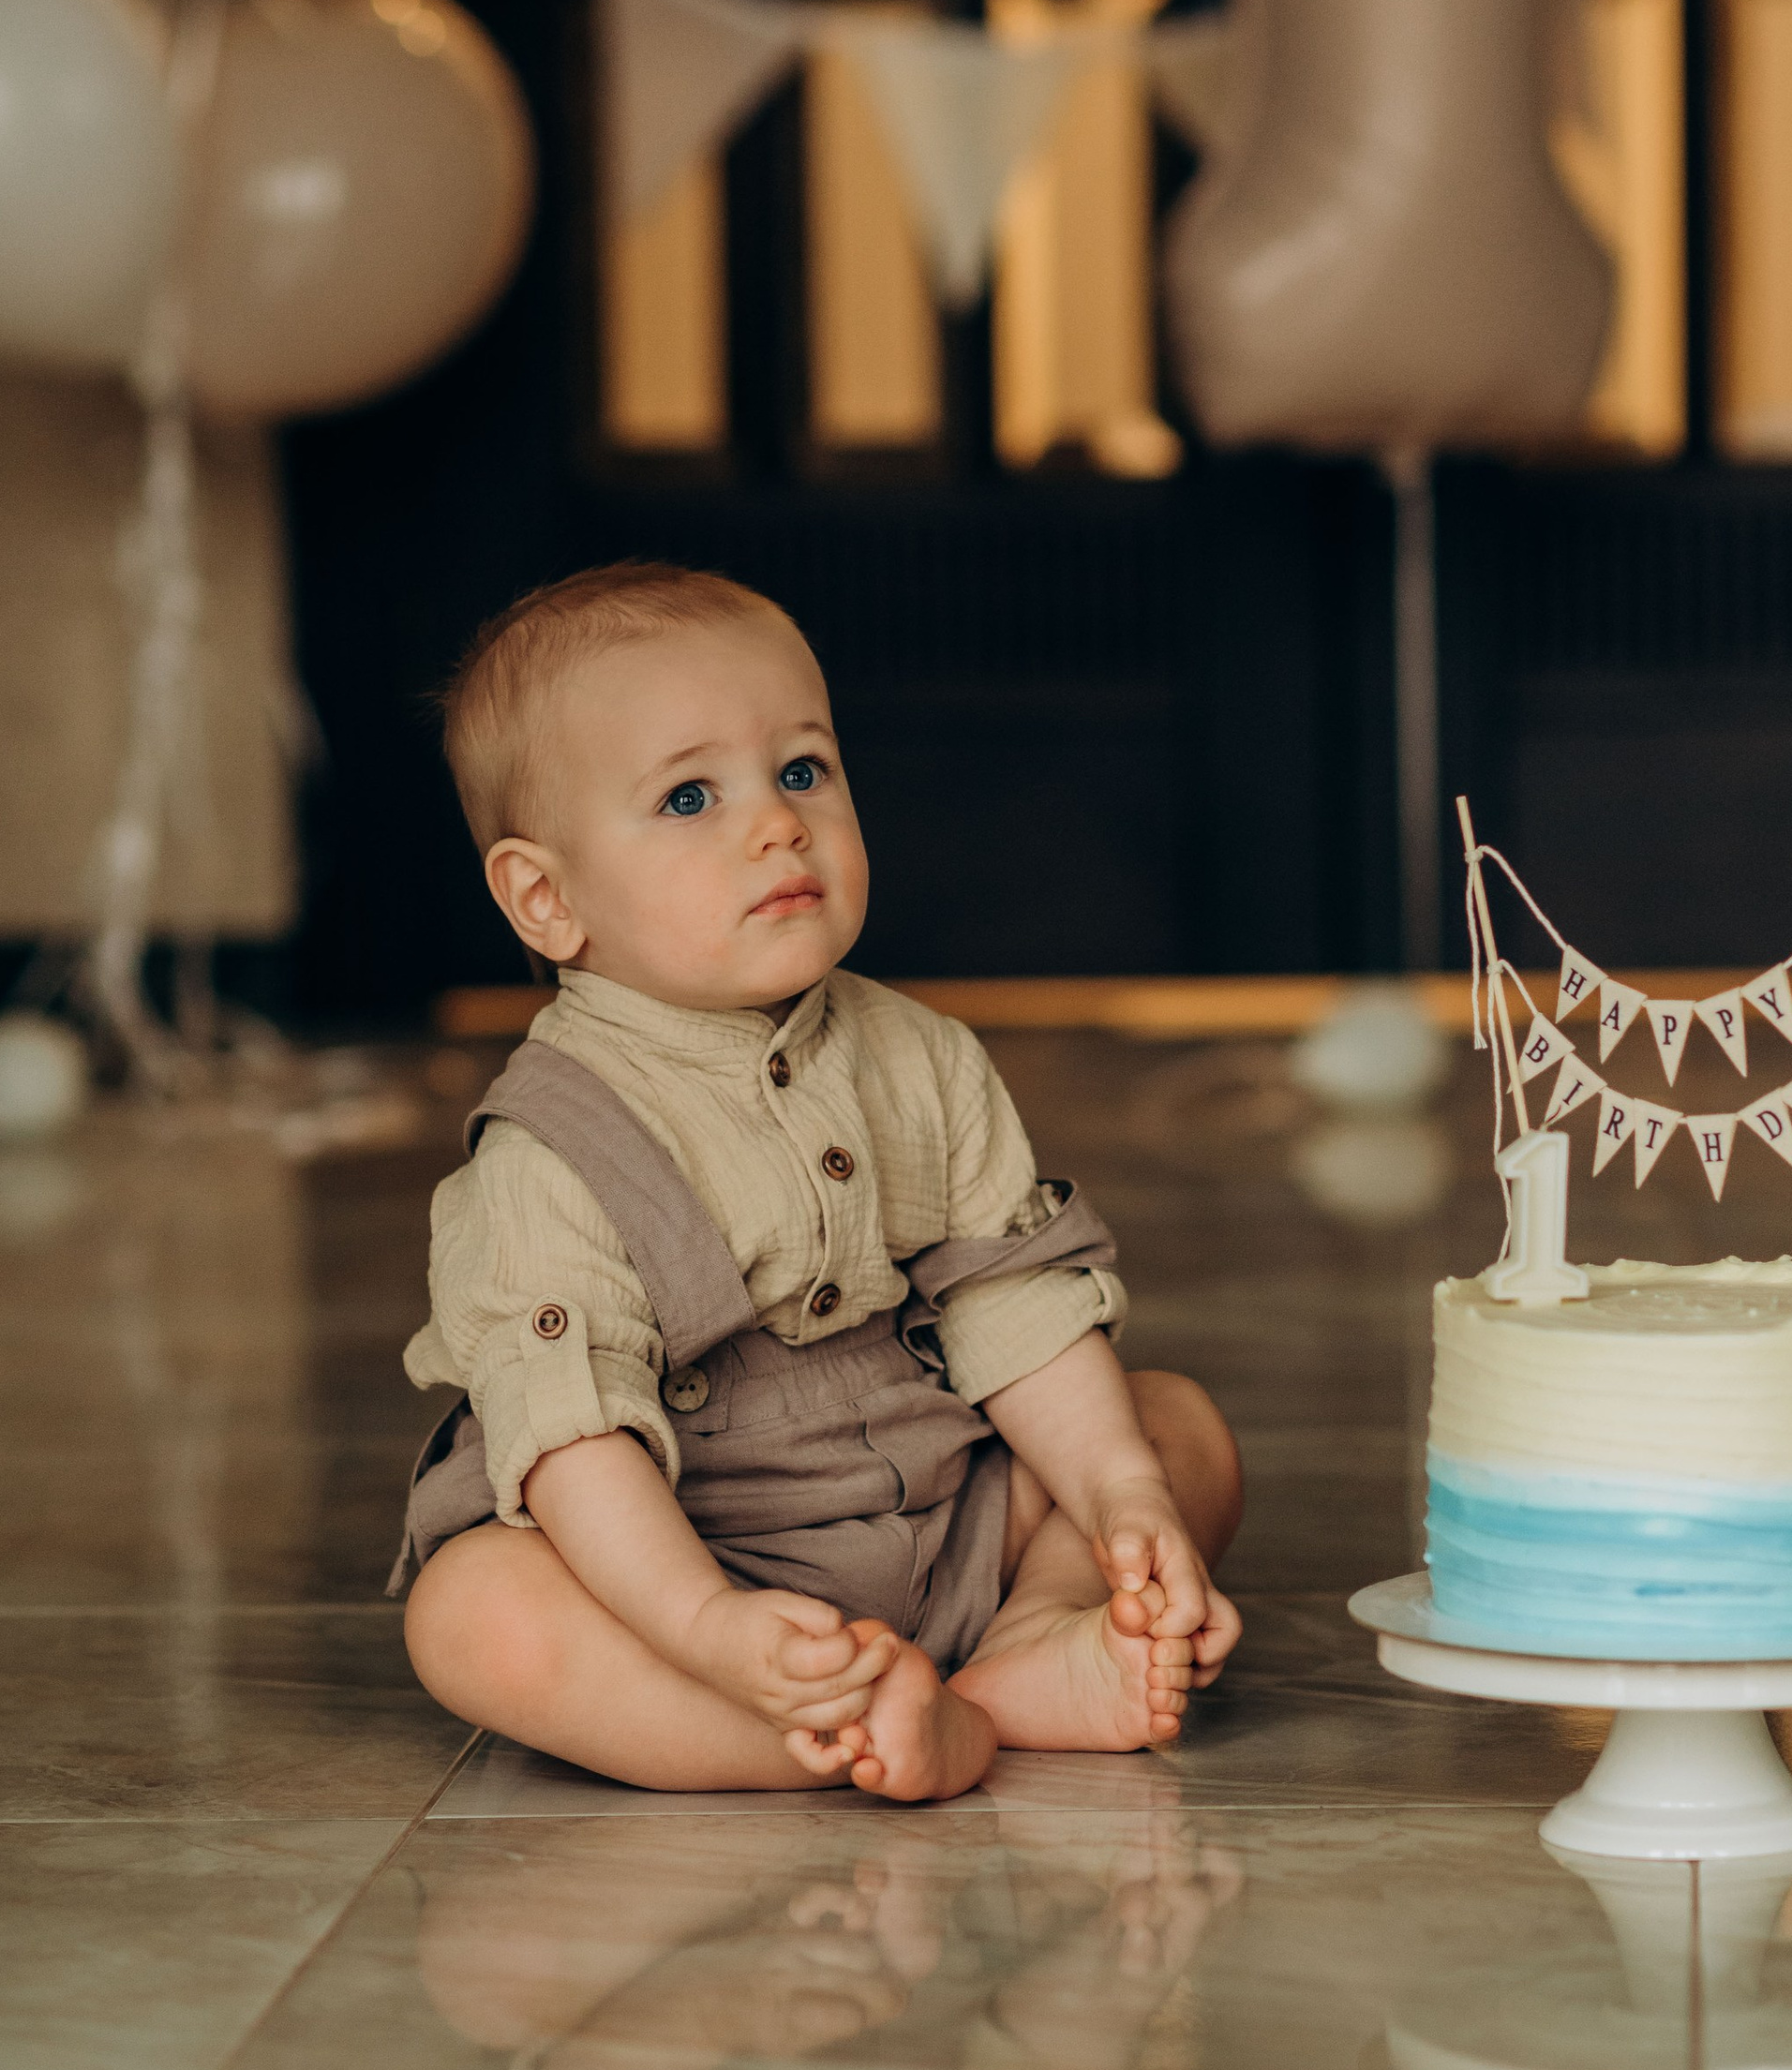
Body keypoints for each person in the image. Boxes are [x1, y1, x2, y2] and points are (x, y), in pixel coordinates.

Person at [394, 560, 1242, 1802]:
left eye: (802, 771)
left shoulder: (920, 1059)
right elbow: (576, 1445)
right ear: (547, 897)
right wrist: (708, 1630)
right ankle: (807, 1734)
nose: (778, 824)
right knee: (477, 1615)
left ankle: (1029, 1649)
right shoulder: (549, 1154)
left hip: (946, 1518)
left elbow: (1014, 1308)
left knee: (1174, 1432)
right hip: (698, 1575)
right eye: (690, 796)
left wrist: (1119, 1501)